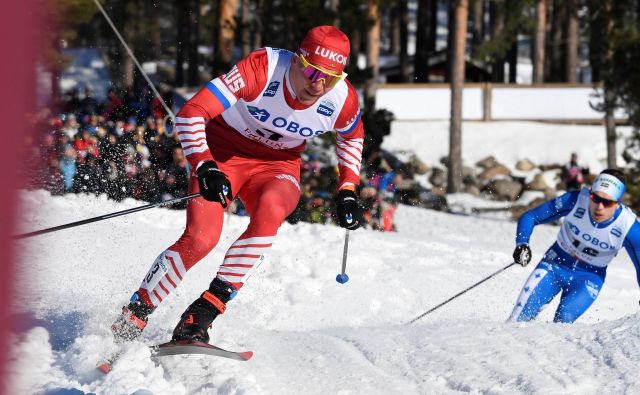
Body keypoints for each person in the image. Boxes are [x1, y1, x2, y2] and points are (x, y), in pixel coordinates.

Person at [111, 25, 365, 344]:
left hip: (277, 166)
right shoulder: (263, 69)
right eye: (313, 73)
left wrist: (347, 190)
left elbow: (352, 139)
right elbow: (192, 113)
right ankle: (135, 313)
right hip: (223, 154)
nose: (318, 86)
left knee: (272, 210)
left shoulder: (342, 99)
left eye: (329, 79)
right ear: (298, 61)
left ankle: (200, 316)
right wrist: (204, 165)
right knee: (201, 239)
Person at [508, 169, 640, 323]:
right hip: (554, 265)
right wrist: (522, 244)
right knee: (517, 320)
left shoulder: (629, 227)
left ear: (618, 204)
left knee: (563, 321)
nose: (599, 207)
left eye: (607, 202)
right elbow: (531, 216)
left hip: (588, 278)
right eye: (595, 198)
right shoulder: (575, 200)